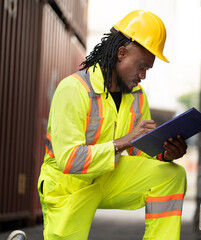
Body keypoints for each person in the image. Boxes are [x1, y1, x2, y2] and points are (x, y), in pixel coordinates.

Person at [37, 10, 188, 240]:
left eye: (148, 69)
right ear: (121, 53)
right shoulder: (73, 89)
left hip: (109, 177)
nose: (143, 76)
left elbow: (138, 151)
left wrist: (165, 154)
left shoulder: (137, 96)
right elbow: (69, 160)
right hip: (68, 186)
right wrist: (122, 142)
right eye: (141, 66)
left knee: (171, 175)